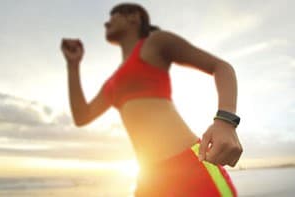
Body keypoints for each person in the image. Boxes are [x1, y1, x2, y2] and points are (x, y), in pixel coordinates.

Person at [61, 3, 242, 197]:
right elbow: (82, 116)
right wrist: (73, 65)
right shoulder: (112, 83)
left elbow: (221, 67)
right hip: (149, 181)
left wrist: (225, 121)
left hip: (190, 168)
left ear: (134, 17)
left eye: (113, 16)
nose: (106, 23)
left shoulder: (155, 43)